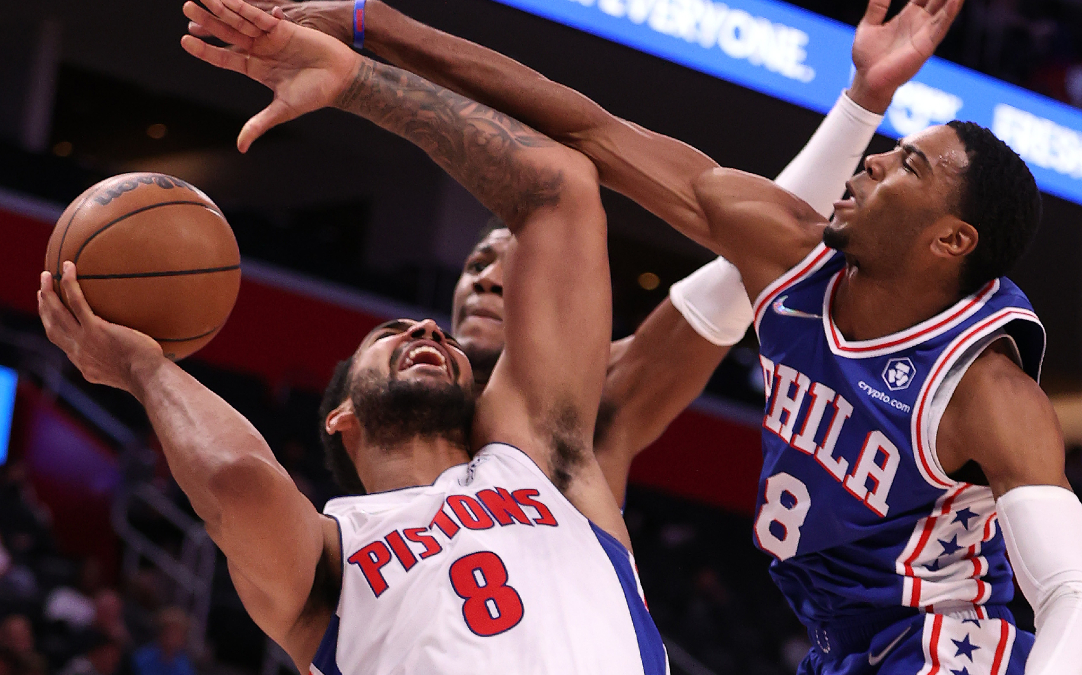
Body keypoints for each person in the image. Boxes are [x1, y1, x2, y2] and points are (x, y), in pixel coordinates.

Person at [241, 0, 1082, 673]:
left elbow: (1070, 591)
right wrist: (374, 24)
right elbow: (592, 128)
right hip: (840, 643)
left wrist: (369, 44)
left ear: (951, 240)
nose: (877, 163)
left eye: (908, 165)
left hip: (944, 645)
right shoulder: (792, 261)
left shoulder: (980, 387)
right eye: (477, 266)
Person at [40, 2, 661, 674]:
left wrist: (357, 81)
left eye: (439, 336)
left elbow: (561, 188)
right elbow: (237, 479)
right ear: (340, 415)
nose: (427, 327)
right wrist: (145, 369)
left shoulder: (541, 460)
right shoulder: (332, 557)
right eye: (389, 332)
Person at [232, 0, 960, 506]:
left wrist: (860, 103)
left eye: (512, 265)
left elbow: (751, 262)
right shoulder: (394, 420)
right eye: (477, 264)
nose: (487, 279)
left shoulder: (599, 402)